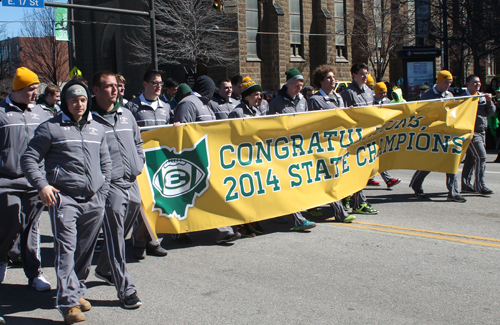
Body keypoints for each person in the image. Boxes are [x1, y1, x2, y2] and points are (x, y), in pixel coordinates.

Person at [21, 79, 113, 324]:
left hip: (94, 198)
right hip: (64, 198)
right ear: (65, 102)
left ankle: (77, 290)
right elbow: (29, 159)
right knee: (66, 250)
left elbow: (106, 163)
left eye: (82, 99)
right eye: (74, 100)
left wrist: (103, 191)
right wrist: (43, 185)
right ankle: (68, 303)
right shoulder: (50, 128)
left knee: (85, 251)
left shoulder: (98, 129)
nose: (79, 104)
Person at [90, 71, 144, 309]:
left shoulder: (127, 114)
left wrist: (139, 162)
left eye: (117, 86)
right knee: (115, 237)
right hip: (109, 186)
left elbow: (138, 142)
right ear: (96, 90)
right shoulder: (89, 121)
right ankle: (126, 289)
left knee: (122, 234)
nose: (115, 90)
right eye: (109, 86)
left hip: (131, 182)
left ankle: (103, 268)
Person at [0, 67, 51, 291]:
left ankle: (35, 273)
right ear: (19, 89)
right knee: (11, 221)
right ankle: (3, 257)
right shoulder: (1, 112)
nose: (35, 93)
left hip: (35, 181)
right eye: (31, 89)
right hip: (6, 180)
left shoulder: (41, 113)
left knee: (31, 227)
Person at [174, 77, 241, 244]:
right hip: (194, 159)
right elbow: (182, 132)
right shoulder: (189, 103)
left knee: (208, 195)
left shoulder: (206, 104)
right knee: (191, 197)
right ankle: (180, 232)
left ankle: (222, 230)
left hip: (208, 158)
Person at [125, 70, 170, 258]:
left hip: (160, 161)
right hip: (141, 161)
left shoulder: (166, 107)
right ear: (144, 84)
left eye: (160, 83)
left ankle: (153, 240)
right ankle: (139, 241)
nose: (158, 86)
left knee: (160, 200)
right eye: (154, 83)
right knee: (144, 202)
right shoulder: (132, 107)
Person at [267, 68, 317, 230]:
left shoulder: (303, 100)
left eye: (301, 85)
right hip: (283, 150)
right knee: (288, 183)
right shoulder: (276, 102)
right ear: (288, 84)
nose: (299, 88)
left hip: (300, 148)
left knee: (294, 183)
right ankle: (297, 219)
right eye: (296, 84)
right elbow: (268, 127)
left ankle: (281, 212)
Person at [306, 64, 355, 223]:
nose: (333, 80)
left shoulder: (339, 97)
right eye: (329, 77)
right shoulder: (314, 100)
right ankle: (340, 213)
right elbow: (310, 124)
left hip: (339, 145)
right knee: (329, 178)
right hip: (323, 146)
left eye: (334, 77)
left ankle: (313, 205)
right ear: (321, 81)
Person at [409, 70, 466, 202]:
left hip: (447, 135)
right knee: (429, 163)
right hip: (432, 135)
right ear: (439, 81)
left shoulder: (450, 95)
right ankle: (416, 184)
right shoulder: (428, 95)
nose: (448, 85)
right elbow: (421, 114)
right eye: (446, 82)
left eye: (450, 82)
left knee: (452, 161)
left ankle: (453, 192)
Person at [339, 63, 379, 214]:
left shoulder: (369, 91)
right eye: (362, 73)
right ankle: (358, 203)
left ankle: (350, 199)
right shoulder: (348, 93)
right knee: (354, 171)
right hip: (353, 140)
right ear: (353, 75)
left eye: (366, 73)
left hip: (368, 138)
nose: (365, 76)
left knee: (362, 171)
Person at [461, 75, 495, 195]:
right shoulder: (462, 97)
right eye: (475, 82)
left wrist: (489, 101)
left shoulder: (482, 97)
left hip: (481, 131)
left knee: (471, 159)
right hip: (470, 132)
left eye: (479, 83)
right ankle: (480, 185)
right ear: (468, 84)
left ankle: (465, 185)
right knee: (482, 156)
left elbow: (491, 112)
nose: (478, 84)